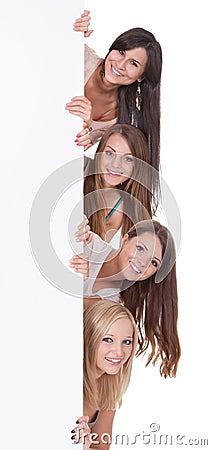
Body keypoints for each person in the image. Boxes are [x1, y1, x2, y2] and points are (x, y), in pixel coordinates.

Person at [70, 215, 181, 378]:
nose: (143, 263)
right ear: (125, 240)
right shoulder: (89, 244)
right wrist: (74, 224)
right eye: (141, 249)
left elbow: (69, 305)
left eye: (154, 263)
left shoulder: (113, 305)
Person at [65, 10, 162, 196]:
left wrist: (83, 128)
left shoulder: (120, 120)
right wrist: (69, 30)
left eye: (133, 63)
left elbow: (72, 151)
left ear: (142, 76)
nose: (120, 64)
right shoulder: (82, 58)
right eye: (121, 52)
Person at [71, 300, 138, 449]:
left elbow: (101, 447)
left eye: (127, 342)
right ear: (89, 338)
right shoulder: (68, 378)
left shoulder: (109, 387)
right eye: (108, 339)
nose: (119, 352)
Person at [84, 123, 155, 242]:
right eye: (109, 153)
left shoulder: (118, 208)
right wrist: (93, 134)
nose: (116, 164)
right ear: (99, 152)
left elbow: (94, 252)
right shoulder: (82, 167)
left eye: (127, 159)